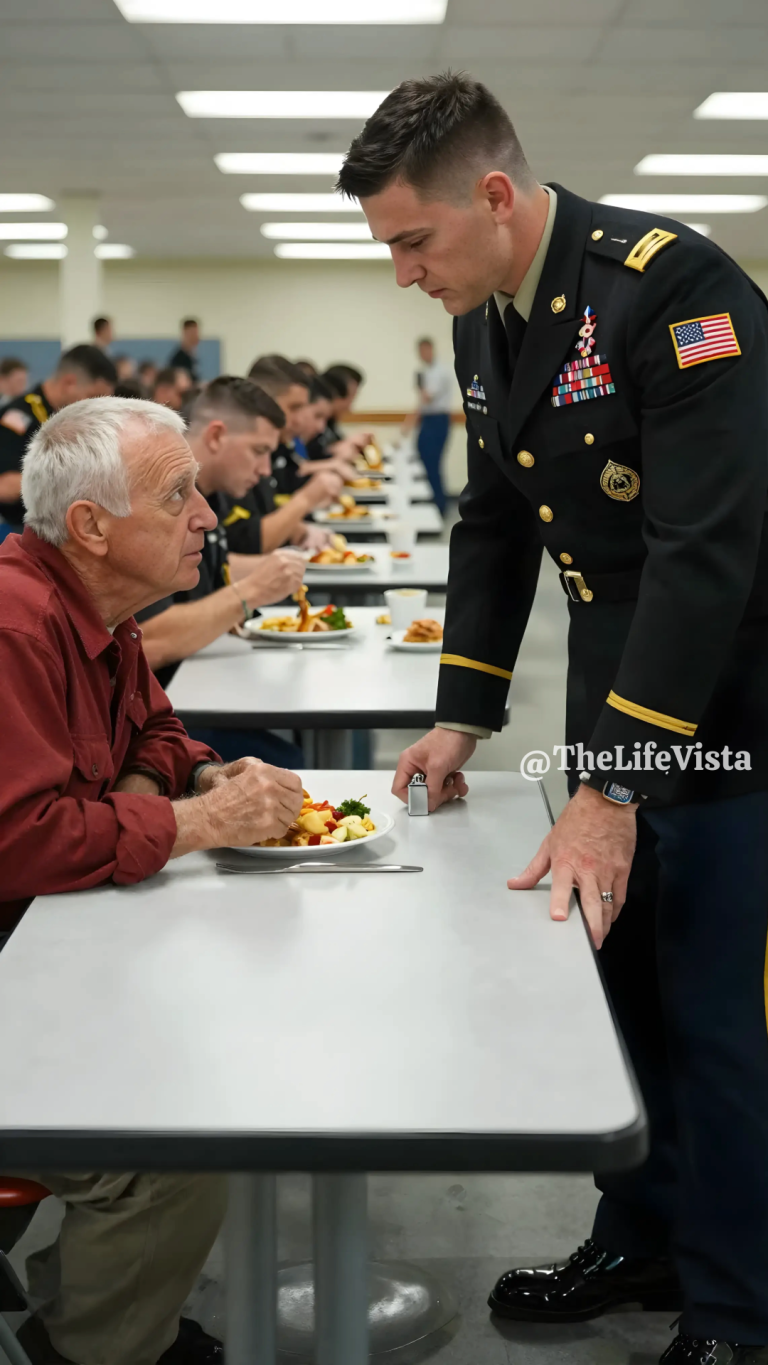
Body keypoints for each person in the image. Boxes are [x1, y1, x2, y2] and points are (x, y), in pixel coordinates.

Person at [339, 72, 768, 1365]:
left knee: (712, 1017)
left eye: (414, 242)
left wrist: (615, 786)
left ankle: (741, 1310)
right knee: (622, 1000)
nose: (406, 274)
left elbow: (704, 555)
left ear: (496, 194)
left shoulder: (674, 290)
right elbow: (495, 519)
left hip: (727, 720)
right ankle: (641, 1236)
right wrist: (464, 712)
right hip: (611, 709)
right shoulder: (493, 313)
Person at [0, 395, 304, 1365]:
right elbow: (27, 841)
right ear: (90, 525)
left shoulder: (100, 609)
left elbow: (160, 734)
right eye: (177, 499)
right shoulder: (15, 626)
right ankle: (95, 1347)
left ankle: (91, 1313)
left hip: (45, 953)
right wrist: (194, 822)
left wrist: (195, 783)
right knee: (171, 1147)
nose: (208, 520)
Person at [136, 376, 307, 767]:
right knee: (289, 762)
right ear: (216, 436)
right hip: (159, 718)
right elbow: (150, 639)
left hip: (195, 690)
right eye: (259, 451)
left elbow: (217, 570)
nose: (266, 469)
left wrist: (284, 569)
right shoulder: (159, 505)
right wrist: (249, 593)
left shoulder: (212, 494)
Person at [220, 358, 344, 557]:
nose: (301, 419)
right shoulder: (234, 455)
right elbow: (251, 542)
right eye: (294, 408)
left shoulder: (279, 446)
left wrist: (299, 530)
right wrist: (307, 498)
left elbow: (268, 514)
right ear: (264, 401)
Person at [0, 344, 117, 533]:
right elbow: (4, 485)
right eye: (92, 397)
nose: (95, 407)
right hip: (19, 532)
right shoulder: (18, 417)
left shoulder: (70, 418)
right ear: (69, 383)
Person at [413, 336, 454, 513]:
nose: (423, 354)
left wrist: (419, 386)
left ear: (431, 349)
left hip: (438, 420)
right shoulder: (425, 371)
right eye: (420, 351)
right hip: (427, 419)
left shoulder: (439, 371)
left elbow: (427, 397)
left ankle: (439, 505)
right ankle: (432, 500)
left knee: (433, 462)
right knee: (423, 458)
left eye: (425, 350)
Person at [169, 318, 201, 383]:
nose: (196, 336)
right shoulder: (178, 360)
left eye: (196, 333)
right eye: (192, 333)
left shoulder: (192, 358)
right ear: (185, 334)